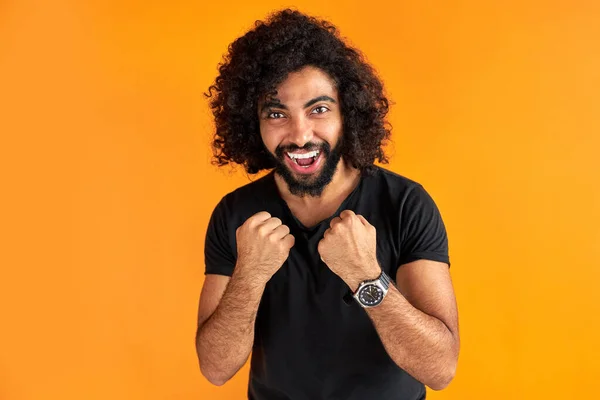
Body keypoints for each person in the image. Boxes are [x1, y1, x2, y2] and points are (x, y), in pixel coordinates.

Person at [195, 9, 459, 400]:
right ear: (254, 124)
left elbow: (439, 369)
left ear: (347, 114)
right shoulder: (235, 215)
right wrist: (249, 275)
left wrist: (366, 276)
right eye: (277, 113)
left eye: (319, 109)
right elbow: (215, 369)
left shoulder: (405, 203)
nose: (300, 135)